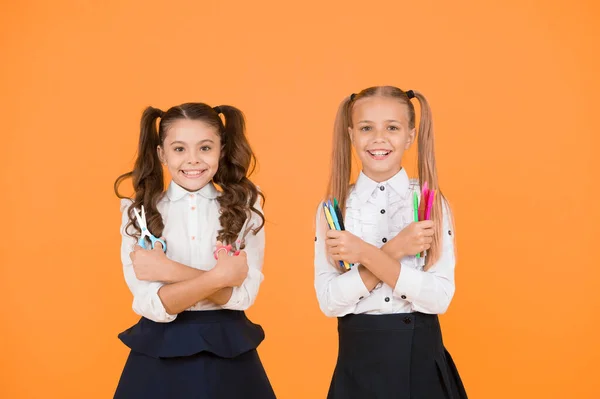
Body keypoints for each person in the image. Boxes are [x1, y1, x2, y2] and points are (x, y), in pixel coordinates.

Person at [113, 102, 276, 398]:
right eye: (179, 149)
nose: (193, 160)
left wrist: (168, 271)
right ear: (162, 153)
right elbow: (155, 305)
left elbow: (241, 297)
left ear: (222, 150)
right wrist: (219, 278)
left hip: (229, 351)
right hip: (158, 353)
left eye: (204, 148)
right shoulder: (137, 214)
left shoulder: (247, 210)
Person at [314, 86, 467, 398]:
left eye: (392, 128)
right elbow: (329, 301)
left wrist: (364, 255)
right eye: (366, 128)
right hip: (357, 365)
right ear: (351, 135)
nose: (378, 138)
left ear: (410, 136)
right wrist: (393, 250)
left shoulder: (432, 205)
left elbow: (438, 299)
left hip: (421, 362)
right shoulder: (334, 209)